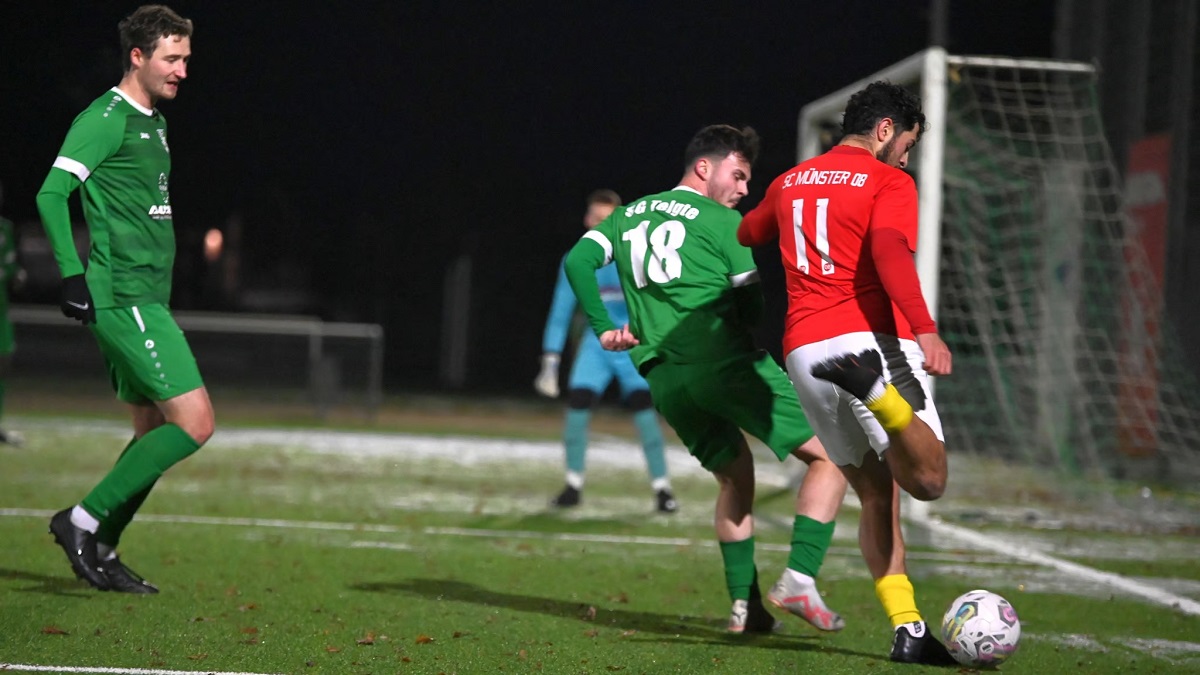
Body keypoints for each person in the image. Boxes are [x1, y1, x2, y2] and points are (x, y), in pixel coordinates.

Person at [563, 125, 849, 634]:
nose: (743, 189)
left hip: (667, 381)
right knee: (832, 457)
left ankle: (745, 607)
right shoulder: (722, 222)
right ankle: (800, 579)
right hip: (725, 365)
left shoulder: (628, 215)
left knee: (736, 477)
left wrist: (605, 329)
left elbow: (578, 260)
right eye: (737, 176)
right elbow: (752, 303)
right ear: (704, 168)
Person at [737, 81, 956, 664]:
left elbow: (748, 232)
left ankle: (908, 629)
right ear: (885, 130)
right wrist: (925, 326)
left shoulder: (790, 181)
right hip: (868, 346)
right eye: (906, 145)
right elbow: (888, 250)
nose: (906, 159)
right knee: (928, 479)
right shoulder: (888, 180)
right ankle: (880, 395)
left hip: (803, 354)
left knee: (876, 495)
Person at [35, 4, 211, 594]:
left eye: (185, 58)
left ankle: (104, 549)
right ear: (137, 57)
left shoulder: (154, 121)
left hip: (147, 295)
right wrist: (69, 274)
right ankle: (79, 521)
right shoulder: (106, 117)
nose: (182, 69)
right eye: (171, 58)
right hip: (124, 296)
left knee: (148, 433)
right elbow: (51, 193)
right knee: (194, 423)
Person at [534, 189, 676, 513]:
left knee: (644, 411)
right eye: (597, 219)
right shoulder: (576, 259)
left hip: (631, 345)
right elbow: (560, 312)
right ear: (587, 220)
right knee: (577, 405)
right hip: (595, 347)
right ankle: (572, 485)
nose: (602, 225)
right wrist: (550, 361)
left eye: (608, 219)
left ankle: (662, 489)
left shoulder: (635, 256)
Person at [0, 181, 23, 446]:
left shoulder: (5, 228)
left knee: (3, 364)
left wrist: (17, 275)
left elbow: (11, 267)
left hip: (1, 310)